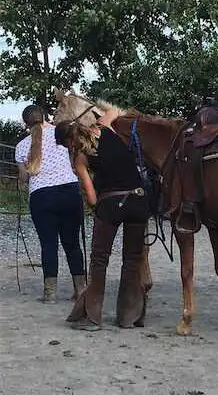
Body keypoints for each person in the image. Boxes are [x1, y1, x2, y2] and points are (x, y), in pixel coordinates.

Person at [54, 109, 150, 330]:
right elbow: (114, 111)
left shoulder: (80, 157)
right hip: (139, 200)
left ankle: (92, 317)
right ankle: (129, 317)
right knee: (132, 259)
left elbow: (92, 197)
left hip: (112, 203)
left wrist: (93, 206)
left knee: (99, 260)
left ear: (69, 141)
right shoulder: (104, 129)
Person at [14, 105, 86, 304]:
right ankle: (81, 290)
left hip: (41, 196)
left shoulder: (21, 146)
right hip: (69, 192)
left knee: (48, 244)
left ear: (25, 124)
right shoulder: (62, 134)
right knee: (72, 244)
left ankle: (50, 294)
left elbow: (24, 178)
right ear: (46, 117)